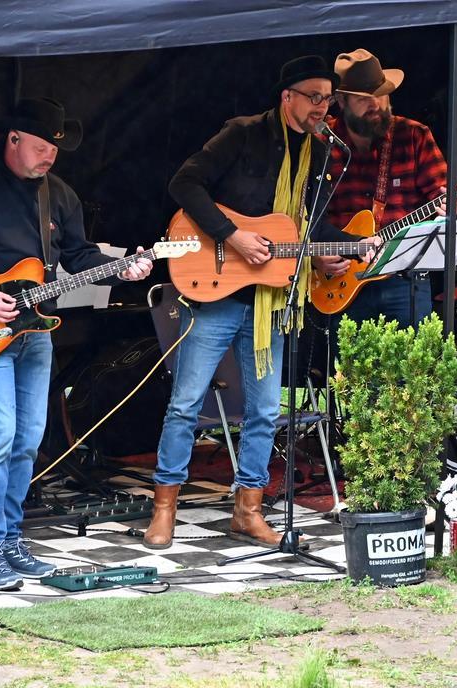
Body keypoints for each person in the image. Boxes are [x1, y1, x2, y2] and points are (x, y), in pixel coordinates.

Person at [0, 98, 152, 589]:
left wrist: (123, 269)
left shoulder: (57, 194)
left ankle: (9, 541)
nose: (49, 157)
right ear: (14, 138)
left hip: (36, 331)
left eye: (55, 150)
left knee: (27, 441)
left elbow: (79, 255)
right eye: (42, 147)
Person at [144, 56, 364, 550]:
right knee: (186, 403)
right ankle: (164, 508)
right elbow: (184, 184)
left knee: (265, 409)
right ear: (287, 97)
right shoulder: (242, 134)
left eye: (328, 98)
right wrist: (232, 235)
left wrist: (338, 250)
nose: (322, 107)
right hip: (217, 291)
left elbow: (305, 225)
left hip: (271, 299)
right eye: (314, 97)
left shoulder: (319, 153)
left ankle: (248, 509)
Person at [313, 48, 451, 328]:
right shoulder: (321, 143)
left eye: (381, 94)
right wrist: (315, 257)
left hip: (403, 279)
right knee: (345, 358)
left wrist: (451, 207)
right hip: (340, 279)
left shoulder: (413, 135)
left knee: (415, 357)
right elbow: (301, 216)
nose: (375, 104)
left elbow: (443, 195)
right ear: (341, 100)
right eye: (364, 99)